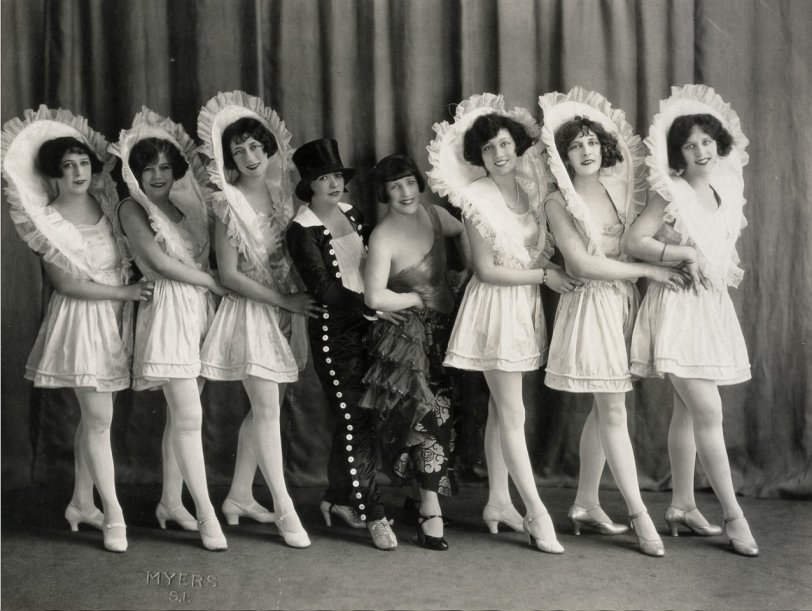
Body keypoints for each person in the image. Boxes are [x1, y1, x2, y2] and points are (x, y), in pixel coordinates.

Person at [539, 88, 692, 556]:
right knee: (612, 411)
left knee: (606, 411)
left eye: (591, 142)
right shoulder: (556, 202)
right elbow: (583, 266)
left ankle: (585, 502)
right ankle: (639, 514)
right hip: (590, 306)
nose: (586, 151)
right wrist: (650, 270)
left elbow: (643, 236)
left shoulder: (620, 189)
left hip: (622, 302)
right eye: (575, 145)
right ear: (562, 156)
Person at [427, 93, 580, 553]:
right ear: (480, 157)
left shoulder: (529, 190)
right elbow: (487, 269)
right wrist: (544, 276)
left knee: (501, 409)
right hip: (494, 306)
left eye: (504, 144)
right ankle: (536, 512)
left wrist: (550, 269)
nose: (499, 153)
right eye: (489, 149)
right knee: (513, 413)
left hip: (522, 306)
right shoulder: (475, 199)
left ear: (516, 145)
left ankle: (497, 501)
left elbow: (534, 248)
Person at [1, 106, 154, 552]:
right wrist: (123, 295)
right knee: (101, 419)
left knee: (93, 419)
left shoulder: (106, 203)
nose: (78, 172)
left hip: (115, 317)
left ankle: (81, 503)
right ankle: (114, 515)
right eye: (67, 167)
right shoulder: (45, 219)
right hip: (83, 320)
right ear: (54, 175)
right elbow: (64, 283)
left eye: (83, 163)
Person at [624, 84, 758, 557]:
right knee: (708, 412)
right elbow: (635, 242)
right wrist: (681, 252)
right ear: (677, 155)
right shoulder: (671, 193)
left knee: (688, 410)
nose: (700, 151)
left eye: (706, 142)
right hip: (677, 309)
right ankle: (734, 516)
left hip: (709, 310)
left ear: (717, 144)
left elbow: (721, 255)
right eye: (689, 145)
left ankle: (681, 504)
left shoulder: (722, 191)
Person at [197, 91, 319, 548]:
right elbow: (228, 274)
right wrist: (284, 303)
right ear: (228, 158)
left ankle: (239, 496)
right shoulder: (225, 202)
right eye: (238, 150)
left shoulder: (284, 195)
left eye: (255, 147)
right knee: (267, 409)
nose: (249, 157)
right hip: (251, 311)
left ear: (269, 149)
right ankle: (286, 509)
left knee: (264, 408)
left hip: (287, 310)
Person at [112, 108, 228, 551]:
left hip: (198, 311)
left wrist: (210, 288)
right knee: (189, 418)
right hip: (167, 312)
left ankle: (169, 502)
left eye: (164, 167)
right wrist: (211, 282)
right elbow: (158, 263)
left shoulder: (184, 209)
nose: (158, 175)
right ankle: (206, 514)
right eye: (148, 168)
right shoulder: (131, 208)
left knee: (184, 415)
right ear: (135, 173)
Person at [286, 138, 400, 550]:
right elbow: (323, 287)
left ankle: (337, 499)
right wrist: (371, 306)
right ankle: (375, 514)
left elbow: (375, 260)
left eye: (336, 175)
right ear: (309, 185)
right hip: (337, 335)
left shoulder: (352, 213)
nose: (333, 183)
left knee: (359, 420)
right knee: (357, 421)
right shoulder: (301, 229)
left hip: (372, 326)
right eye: (323, 177)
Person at [360, 153, 470, 551]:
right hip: (407, 339)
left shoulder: (435, 215)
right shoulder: (383, 235)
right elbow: (374, 296)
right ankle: (430, 512)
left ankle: (416, 498)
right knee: (426, 421)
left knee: (445, 417)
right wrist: (415, 300)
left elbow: (465, 228)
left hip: (445, 332)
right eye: (394, 186)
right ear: (384, 193)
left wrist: (467, 270)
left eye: (409, 182)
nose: (405, 192)